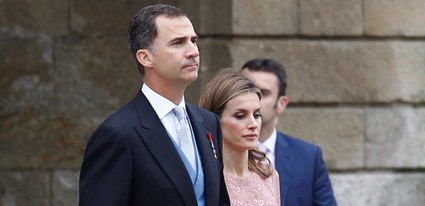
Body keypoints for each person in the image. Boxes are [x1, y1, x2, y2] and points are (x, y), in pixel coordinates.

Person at [79, 4, 230, 206]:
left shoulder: (209, 122)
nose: (193, 51)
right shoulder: (118, 134)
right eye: (178, 43)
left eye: (193, 41)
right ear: (145, 57)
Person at [241, 58, 337, 206]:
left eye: (263, 93)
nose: (254, 99)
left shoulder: (309, 158)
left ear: (281, 104)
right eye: (246, 90)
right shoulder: (216, 154)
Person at [199, 68, 281, 206]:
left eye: (257, 115)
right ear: (215, 120)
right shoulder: (202, 177)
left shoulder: (267, 173)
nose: (253, 124)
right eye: (240, 116)